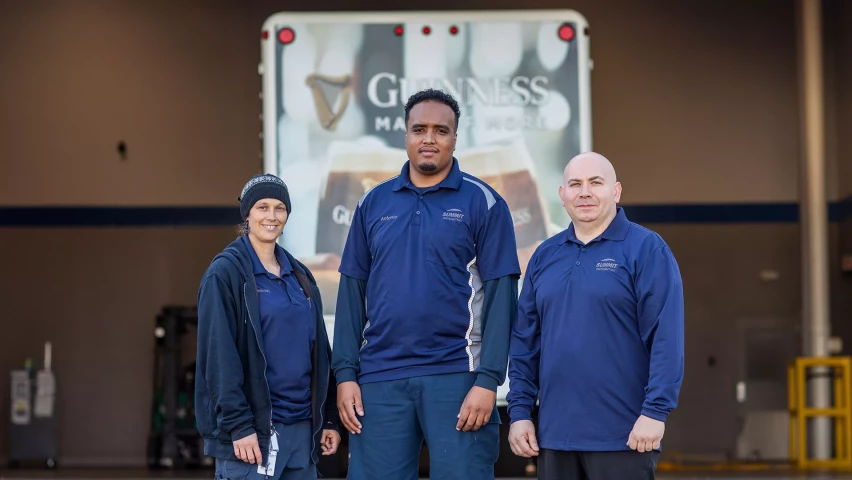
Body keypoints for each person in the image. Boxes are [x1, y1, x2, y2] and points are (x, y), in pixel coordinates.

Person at [332, 88, 521, 480]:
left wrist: (488, 380)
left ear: (455, 137)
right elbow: (352, 294)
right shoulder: (373, 204)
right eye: (419, 129)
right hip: (380, 380)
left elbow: (503, 298)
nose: (429, 138)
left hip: (457, 376)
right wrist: (346, 375)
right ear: (405, 135)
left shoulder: (484, 203)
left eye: (441, 130)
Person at [506, 152, 685, 479]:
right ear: (562, 195)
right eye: (575, 184)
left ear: (615, 192)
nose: (584, 192)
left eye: (595, 183)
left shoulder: (646, 249)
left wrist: (655, 412)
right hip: (555, 437)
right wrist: (519, 413)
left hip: (625, 435)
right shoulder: (545, 255)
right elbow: (525, 344)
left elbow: (666, 338)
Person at [195, 173, 341, 480]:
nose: (272, 216)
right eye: (262, 207)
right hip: (253, 437)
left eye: (279, 208)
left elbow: (319, 351)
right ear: (247, 214)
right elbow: (218, 356)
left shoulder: (300, 275)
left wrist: (328, 419)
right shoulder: (225, 274)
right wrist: (239, 426)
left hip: (302, 433)